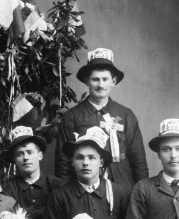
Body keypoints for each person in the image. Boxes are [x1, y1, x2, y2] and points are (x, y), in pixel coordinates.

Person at [54, 48, 148, 195]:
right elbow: (63, 162)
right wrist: (67, 195)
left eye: (105, 79)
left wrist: (143, 194)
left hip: (122, 187)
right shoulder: (72, 116)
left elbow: (138, 159)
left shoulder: (126, 115)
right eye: (95, 79)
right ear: (86, 81)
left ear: (113, 81)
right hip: (83, 190)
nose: (100, 84)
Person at [1, 126, 61, 219]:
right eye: (20, 154)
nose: (26, 157)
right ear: (14, 160)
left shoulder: (56, 185)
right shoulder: (8, 187)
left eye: (29, 152)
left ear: (40, 155)